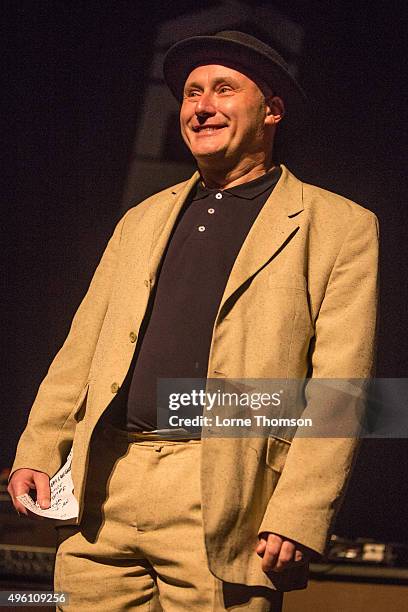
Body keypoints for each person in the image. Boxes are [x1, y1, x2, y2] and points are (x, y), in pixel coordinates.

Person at [8, 31, 379, 611]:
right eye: (190, 93)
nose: (201, 106)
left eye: (224, 90)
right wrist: (37, 447)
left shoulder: (339, 226)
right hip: (106, 485)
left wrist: (300, 511)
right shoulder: (142, 218)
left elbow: (342, 390)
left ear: (272, 111)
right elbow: (81, 348)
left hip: (223, 493)